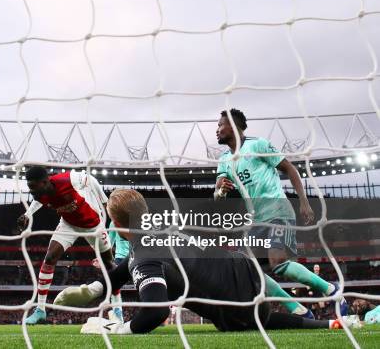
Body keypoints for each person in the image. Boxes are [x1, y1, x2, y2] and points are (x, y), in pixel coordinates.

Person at [54, 189, 357, 334]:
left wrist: (114, 329)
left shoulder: (143, 255)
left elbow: (155, 314)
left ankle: (320, 308)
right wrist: (95, 288)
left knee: (240, 319)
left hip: (235, 305)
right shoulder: (164, 230)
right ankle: (327, 322)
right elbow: (126, 267)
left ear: (117, 227)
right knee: (256, 321)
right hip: (246, 273)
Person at [214, 108, 347, 318]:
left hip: (277, 210)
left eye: (221, 125)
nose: (217, 129)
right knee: (246, 269)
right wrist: (221, 190)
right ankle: (299, 309)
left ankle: (332, 290)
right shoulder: (223, 160)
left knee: (278, 263)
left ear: (234, 126)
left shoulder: (258, 145)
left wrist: (303, 202)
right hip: (255, 220)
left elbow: (290, 169)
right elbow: (217, 194)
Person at [18, 166, 118, 324]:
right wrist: (27, 214)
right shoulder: (41, 193)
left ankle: (117, 309)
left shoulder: (68, 179)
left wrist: (105, 202)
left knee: (109, 264)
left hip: (93, 224)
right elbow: (37, 201)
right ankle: (40, 310)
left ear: (45, 182)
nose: (31, 191)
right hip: (68, 224)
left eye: (33, 187)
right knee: (49, 258)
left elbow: (89, 179)